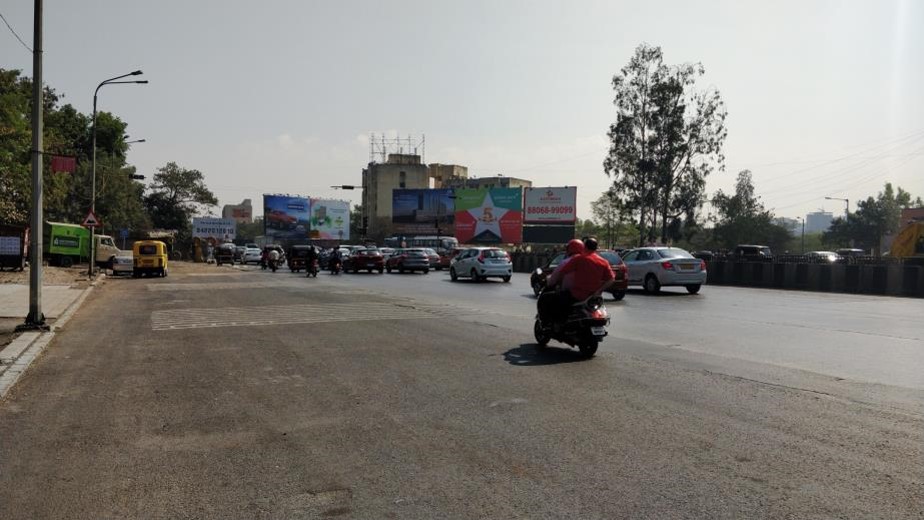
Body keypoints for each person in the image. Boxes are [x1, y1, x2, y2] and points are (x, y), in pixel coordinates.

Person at [542, 238, 616, 323]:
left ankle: (558, 324)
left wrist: (558, 284)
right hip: (594, 297)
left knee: (550, 299)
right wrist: (599, 291)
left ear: (585, 247)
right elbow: (611, 279)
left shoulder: (579, 259)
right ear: (596, 248)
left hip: (577, 295)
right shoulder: (603, 262)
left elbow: (562, 273)